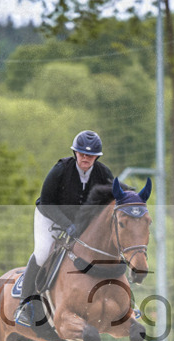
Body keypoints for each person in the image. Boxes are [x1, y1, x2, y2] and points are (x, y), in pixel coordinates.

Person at [14, 130, 114, 327]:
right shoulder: (61, 169)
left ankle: (125, 302)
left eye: (91, 155)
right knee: (43, 252)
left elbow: (113, 197)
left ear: (97, 157)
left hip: (80, 222)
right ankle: (24, 304)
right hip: (50, 216)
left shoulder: (103, 173)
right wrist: (67, 225)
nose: (85, 158)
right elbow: (47, 202)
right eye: (82, 153)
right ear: (75, 153)